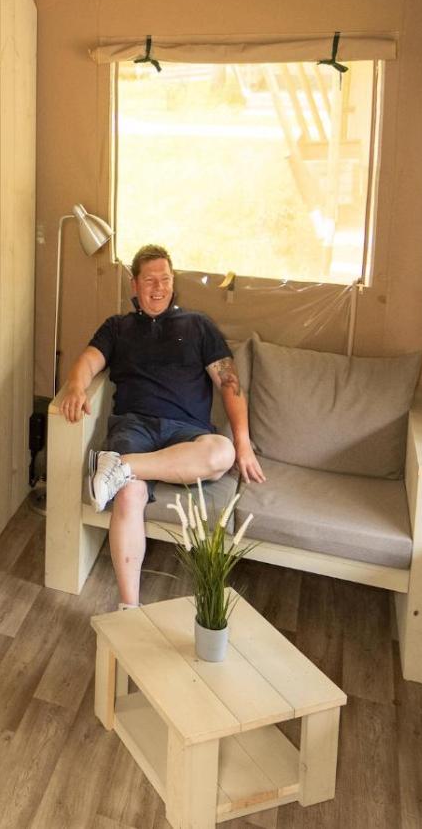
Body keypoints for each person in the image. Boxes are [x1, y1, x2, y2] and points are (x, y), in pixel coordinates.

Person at [58, 244, 266, 610]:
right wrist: (76, 386)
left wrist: (244, 443)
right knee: (128, 495)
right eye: (150, 280)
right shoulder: (118, 327)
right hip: (134, 426)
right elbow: (88, 361)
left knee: (223, 452)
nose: (159, 287)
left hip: (187, 433)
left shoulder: (198, 325)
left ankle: (120, 467)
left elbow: (230, 383)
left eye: (166, 279)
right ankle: (129, 609)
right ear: (134, 285)